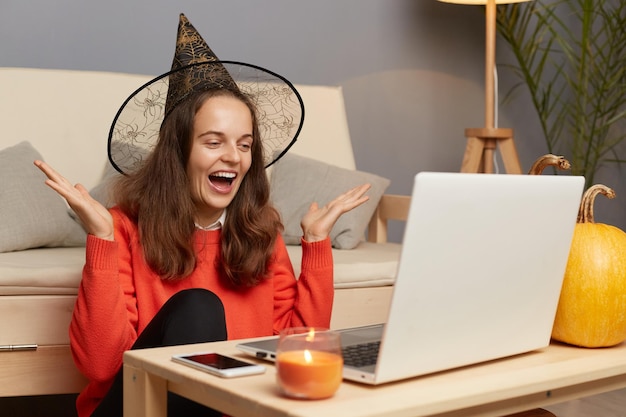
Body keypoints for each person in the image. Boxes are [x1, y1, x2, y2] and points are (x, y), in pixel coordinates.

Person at [34, 14, 371, 417]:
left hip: (232, 407)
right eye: (214, 142)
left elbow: (296, 346)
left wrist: (316, 247)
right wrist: (102, 241)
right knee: (198, 307)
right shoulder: (123, 228)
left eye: (244, 145)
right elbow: (101, 366)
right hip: (134, 407)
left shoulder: (263, 232)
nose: (233, 156)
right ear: (179, 152)